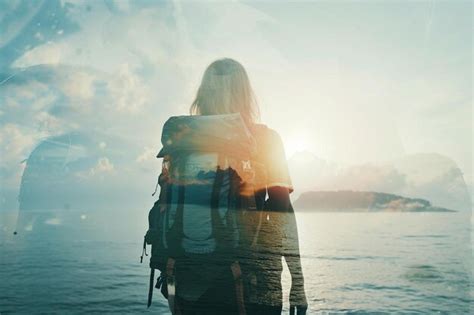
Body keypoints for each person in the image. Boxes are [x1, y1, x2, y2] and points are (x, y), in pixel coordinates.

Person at [187, 58, 308, 314]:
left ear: (203, 95)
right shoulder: (265, 140)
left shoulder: (185, 143)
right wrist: (298, 282)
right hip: (256, 281)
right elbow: (281, 212)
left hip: (192, 282)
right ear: (246, 94)